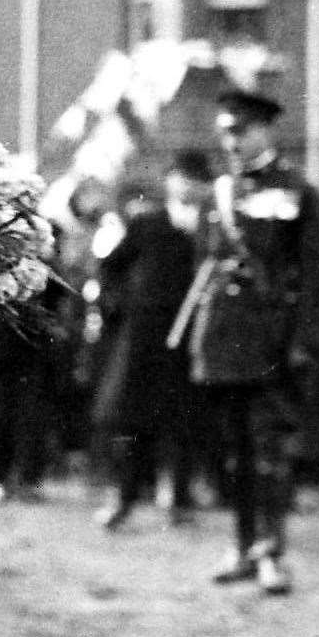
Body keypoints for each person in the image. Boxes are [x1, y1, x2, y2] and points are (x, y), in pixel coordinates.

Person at [190, 90, 319, 597]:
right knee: (233, 450)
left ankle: (272, 551)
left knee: (269, 448)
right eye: (226, 132)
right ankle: (242, 544)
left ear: (266, 132)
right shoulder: (217, 194)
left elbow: (315, 274)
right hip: (224, 338)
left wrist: (304, 340)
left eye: (241, 131)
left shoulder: (298, 192)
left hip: (273, 339)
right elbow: (201, 267)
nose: (232, 141)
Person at [91, 150, 213, 531]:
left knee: (184, 419)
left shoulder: (212, 228)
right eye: (181, 177)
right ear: (170, 181)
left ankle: (179, 500)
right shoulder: (148, 223)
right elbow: (109, 266)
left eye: (196, 179)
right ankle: (123, 498)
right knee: (133, 419)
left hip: (192, 334)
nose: (187, 185)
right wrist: (120, 308)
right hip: (145, 336)